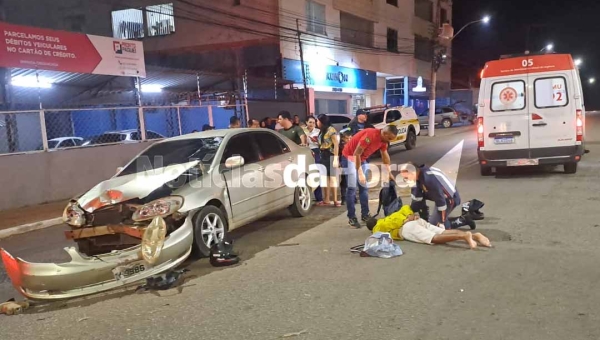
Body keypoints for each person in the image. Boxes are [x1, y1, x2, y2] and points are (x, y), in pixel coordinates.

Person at [342, 126, 398, 228]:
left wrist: (389, 172)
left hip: (362, 159)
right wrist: (360, 173)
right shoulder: (370, 136)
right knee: (352, 188)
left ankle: (365, 214)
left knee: (364, 187)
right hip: (349, 157)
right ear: (385, 134)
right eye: (389, 139)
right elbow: (356, 154)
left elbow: (385, 155)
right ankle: (352, 217)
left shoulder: (383, 141)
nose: (389, 142)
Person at [366, 205, 491, 249]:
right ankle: (475, 235)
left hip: (407, 229)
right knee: (441, 231)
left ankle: (465, 236)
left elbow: (383, 229)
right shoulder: (391, 215)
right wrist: (410, 216)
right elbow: (405, 208)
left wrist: (404, 220)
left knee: (434, 238)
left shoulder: (377, 227)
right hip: (417, 221)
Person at [399, 163, 475, 230]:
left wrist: (441, 221)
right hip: (438, 195)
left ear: (413, 173)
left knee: (436, 226)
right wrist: (409, 213)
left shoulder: (429, 179)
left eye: (406, 178)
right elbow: (416, 199)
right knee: (431, 220)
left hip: (450, 198)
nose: (405, 180)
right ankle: (425, 218)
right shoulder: (419, 176)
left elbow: (441, 202)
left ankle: (463, 220)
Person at [316, 114, 340, 206]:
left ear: (322, 121)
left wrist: (335, 158)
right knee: (325, 178)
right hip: (323, 155)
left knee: (332, 178)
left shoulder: (331, 130)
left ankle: (335, 200)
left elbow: (336, 145)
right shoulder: (321, 131)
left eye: (317, 121)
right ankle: (326, 199)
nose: (316, 123)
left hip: (330, 155)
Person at [306, 116, 324, 205]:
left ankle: (319, 198)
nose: (311, 124)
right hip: (306, 152)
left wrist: (315, 141)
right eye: (310, 122)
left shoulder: (317, 132)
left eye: (313, 122)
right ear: (306, 122)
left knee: (316, 174)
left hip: (316, 152)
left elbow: (322, 143)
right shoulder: (303, 131)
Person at [338, 129, 352, 205]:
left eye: (350, 138)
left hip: (351, 163)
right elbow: (339, 155)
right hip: (344, 164)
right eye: (347, 138)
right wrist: (339, 162)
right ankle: (343, 197)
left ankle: (353, 197)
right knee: (344, 181)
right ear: (343, 138)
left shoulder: (353, 144)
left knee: (351, 181)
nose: (349, 139)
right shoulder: (340, 146)